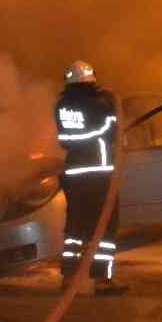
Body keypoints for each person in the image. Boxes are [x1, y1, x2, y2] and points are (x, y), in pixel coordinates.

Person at [54, 60, 127, 296]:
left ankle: (69, 278)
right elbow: (113, 130)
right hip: (98, 174)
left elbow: (65, 139)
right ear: (91, 80)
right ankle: (102, 280)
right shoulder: (100, 104)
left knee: (75, 229)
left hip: (74, 175)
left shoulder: (61, 105)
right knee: (104, 229)